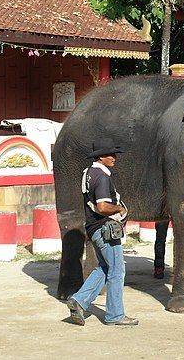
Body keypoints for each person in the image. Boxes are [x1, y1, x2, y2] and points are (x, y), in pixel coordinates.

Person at [67, 138, 138, 326]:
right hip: (105, 228)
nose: (114, 157)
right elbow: (103, 206)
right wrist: (120, 209)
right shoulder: (102, 176)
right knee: (117, 270)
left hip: (93, 228)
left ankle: (79, 301)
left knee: (105, 268)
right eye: (110, 154)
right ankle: (115, 315)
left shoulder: (88, 173)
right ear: (100, 157)